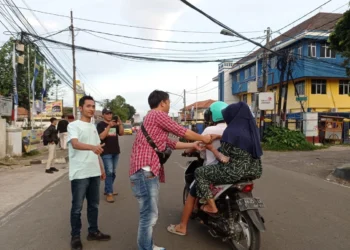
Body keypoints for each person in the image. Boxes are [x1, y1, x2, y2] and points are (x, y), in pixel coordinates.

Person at [129, 90, 214, 250]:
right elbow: (180, 131)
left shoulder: (151, 119)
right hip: (145, 168)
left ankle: (147, 245)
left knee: (149, 212)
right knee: (149, 214)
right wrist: (202, 138)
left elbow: (170, 143)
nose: (169, 106)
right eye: (168, 102)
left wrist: (192, 145)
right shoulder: (158, 115)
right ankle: (145, 248)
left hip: (144, 169)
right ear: (162, 102)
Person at [167, 101, 229, 236]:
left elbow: (201, 147)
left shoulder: (209, 130)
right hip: (231, 169)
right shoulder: (233, 128)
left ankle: (182, 226)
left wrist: (188, 151)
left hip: (212, 170)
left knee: (192, 192)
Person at [195, 102, 263, 214]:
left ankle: (212, 207)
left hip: (234, 172)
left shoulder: (230, 131)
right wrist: (219, 136)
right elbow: (239, 139)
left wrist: (212, 148)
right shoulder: (252, 131)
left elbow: (223, 159)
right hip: (253, 170)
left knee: (200, 172)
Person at [68, 95, 110, 250]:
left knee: (94, 205)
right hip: (79, 173)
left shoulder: (93, 126)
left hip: (93, 172)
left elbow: (96, 149)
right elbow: (75, 144)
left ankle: (93, 231)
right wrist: (92, 148)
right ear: (81, 108)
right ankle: (75, 236)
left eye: (93, 106)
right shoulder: (74, 125)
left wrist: (101, 168)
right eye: (88, 106)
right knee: (77, 207)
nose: (91, 109)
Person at [97, 108, 124, 203]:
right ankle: (109, 193)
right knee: (109, 172)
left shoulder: (115, 124)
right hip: (106, 151)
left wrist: (120, 124)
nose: (109, 115)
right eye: (107, 114)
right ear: (103, 115)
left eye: (111, 113)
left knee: (113, 172)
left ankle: (108, 189)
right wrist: (109, 126)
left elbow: (121, 133)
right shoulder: (100, 125)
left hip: (115, 151)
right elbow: (101, 137)